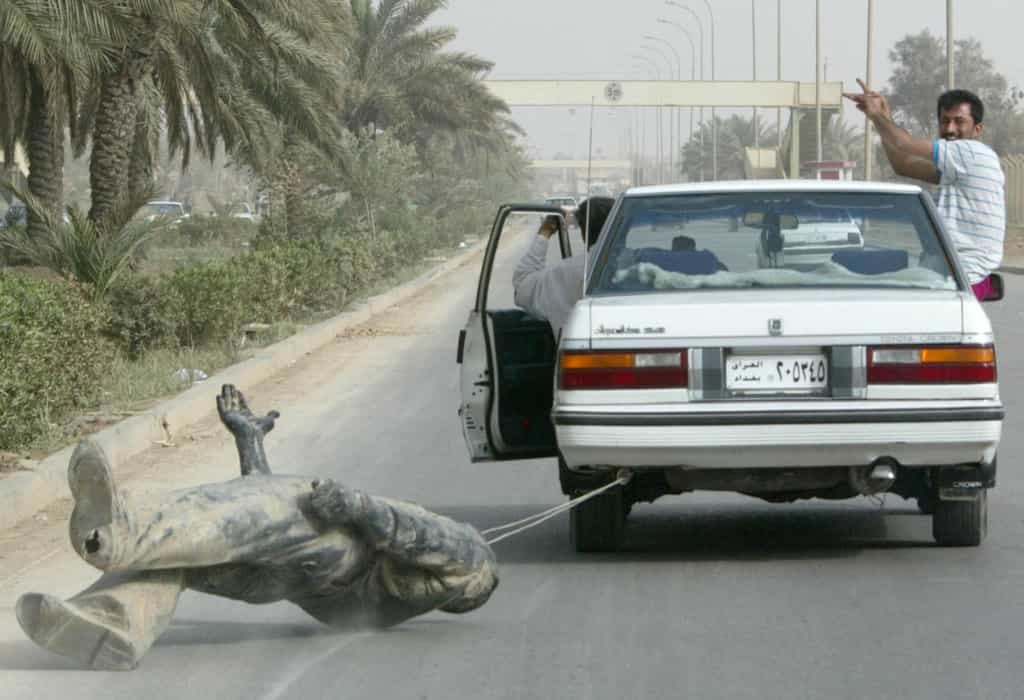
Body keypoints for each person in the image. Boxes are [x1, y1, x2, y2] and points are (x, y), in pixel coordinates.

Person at [16, 385, 498, 671]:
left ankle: (121, 530)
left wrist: (356, 504)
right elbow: (250, 522)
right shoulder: (412, 593)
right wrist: (251, 444)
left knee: (289, 501)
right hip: (290, 580)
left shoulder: (474, 560)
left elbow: (412, 530)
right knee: (192, 554)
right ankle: (116, 623)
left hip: (329, 568)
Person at [844, 80, 1005, 300]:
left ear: (977, 129)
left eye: (959, 122)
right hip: (949, 274)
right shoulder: (958, 168)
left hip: (962, 278)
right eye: (944, 121)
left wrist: (877, 116)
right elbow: (902, 164)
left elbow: (903, 144)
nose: (949, 129)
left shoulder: (971, 153)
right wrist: (884, 118)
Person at [513, 197, 615, 339]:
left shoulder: (563, 273)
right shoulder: (646, 268)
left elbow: (522, 286)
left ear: (584, 232)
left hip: (579, 358)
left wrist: (545, 232)